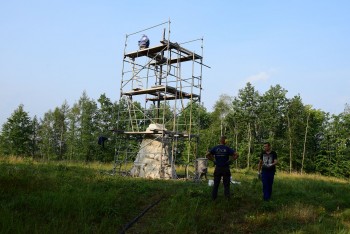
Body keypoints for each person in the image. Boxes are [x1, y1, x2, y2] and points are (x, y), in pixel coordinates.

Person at [206, 136, 238, 200]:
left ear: (220, 141)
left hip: (218, 168)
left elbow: (207, 155)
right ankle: (227, 198)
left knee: (216, 184)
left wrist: (213, 160)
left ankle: (213, 199)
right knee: (226, 184)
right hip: (225, 168)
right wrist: (231, 161)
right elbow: (237, 154)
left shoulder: (215, 148)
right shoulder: (227, 148)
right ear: (225, 141)